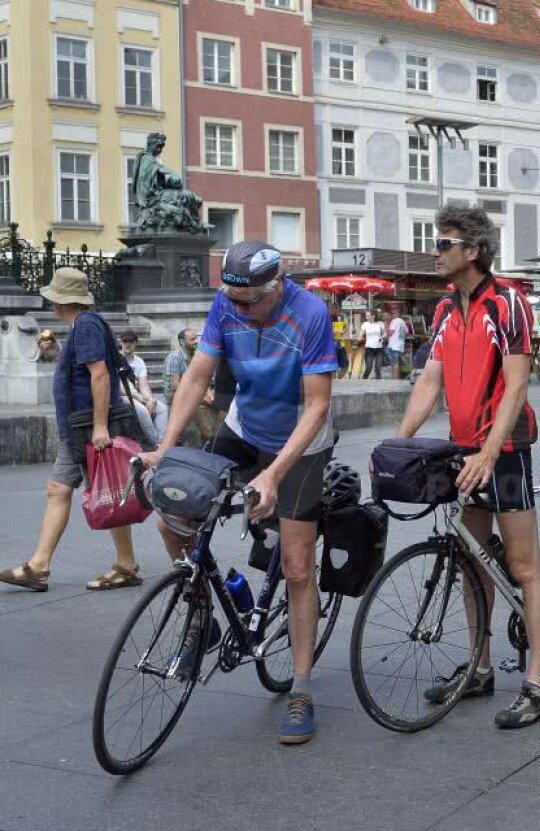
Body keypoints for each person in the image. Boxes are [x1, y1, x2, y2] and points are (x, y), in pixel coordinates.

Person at [142, 241, 338, 745]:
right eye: (232, 299)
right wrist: (163, 449)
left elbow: (317, 406)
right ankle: (203, 613)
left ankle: (300, 688)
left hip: (301, 439)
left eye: (248, 301)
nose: (238, 308)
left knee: (297, 567)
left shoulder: (309, 314)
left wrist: (272, 475)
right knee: (174, 517)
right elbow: (196, 377)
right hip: (243, 426)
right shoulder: (227, 303)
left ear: (275, 289)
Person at [398, 205, 540, 728]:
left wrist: (490, 450)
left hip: (506, 451)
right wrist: (401, 440)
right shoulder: (444, 310)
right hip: (463, 449)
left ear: (474, 250)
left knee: (524, 566)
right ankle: (481, 667)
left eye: (444, 244)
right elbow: (429, 382)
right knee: (473, 562)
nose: (434, 252)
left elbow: (517, 385)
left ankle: (536, 683)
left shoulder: (508, 303)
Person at [0, 269, 145, 593]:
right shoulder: (83, 325)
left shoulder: (87, 325)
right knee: (63, 489)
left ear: (59, 300)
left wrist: (100, 427)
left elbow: (100, 376)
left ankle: (121, 564)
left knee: (99, 492)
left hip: (87, 428)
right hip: (80, 428)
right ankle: (41, 565)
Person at [163, 328, 222, 443]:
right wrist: (201, 398)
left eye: (196, 338)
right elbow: (176, 386)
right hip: (175, 393)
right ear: (181, 342)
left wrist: (209, 394)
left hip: (193, 390)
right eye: (192, 339)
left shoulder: (196, 355)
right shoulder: (174, 357)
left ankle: (217, 434)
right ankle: (210, 436)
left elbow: (204, 379)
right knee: (197, 405)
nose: (196, 341)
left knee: (219, 398)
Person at [119, 330, 169, 445]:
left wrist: (150, 399)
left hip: (136, 395)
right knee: (142, 410)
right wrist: (140, 398)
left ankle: (162, 441)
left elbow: (143, 385)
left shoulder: (139, 361)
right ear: (121, 342)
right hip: (122, 395)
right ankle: (157, 442)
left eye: (130, 341)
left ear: (136, 343)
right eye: (125, 341)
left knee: (162, 408)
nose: (127, 344)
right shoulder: (116, 359)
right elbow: (119, 388)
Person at [359, 310, 385, 380]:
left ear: (373, 316)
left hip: (379, 348)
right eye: (366, 316)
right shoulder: (365, 324)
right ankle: (363, 382)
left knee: (377, 369)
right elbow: (360, 336)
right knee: (368, 368)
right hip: (369, 348)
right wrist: (361, 338)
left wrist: (382, 337)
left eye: (368, 316)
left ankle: (379, 387)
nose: (366, 317)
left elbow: (385, 333)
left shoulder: (380, 324)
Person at [386, 311, 409, 379]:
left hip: (394, 345)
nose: (391, 316)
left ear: (395, 314)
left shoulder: (394, 321)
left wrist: (387, 330)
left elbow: (390, 333)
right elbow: (407, 332)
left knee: (394, 364)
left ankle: (395, 380)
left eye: (392, 314)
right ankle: (396, 379)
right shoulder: (403, 322)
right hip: (400, 346)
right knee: (397, 363)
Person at [330, 308, 350, 379]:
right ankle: (335, 382)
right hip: (331, 345)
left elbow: (347, 325)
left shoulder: (341, 316)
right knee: (333, 366)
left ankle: (338, 380)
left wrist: (343, 331)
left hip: (341, 344)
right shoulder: (328, 318)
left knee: (345, 365)